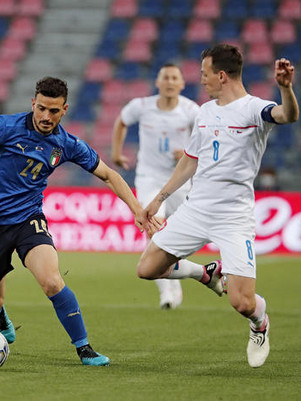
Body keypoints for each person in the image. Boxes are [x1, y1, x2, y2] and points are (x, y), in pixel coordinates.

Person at [0, 76, 158, 366]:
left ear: (65, 110)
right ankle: (0, 318)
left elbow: (109, 174)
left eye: (54, 111)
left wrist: (137, 208)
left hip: (28, 219)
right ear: (33, 104)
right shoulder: (6, 127)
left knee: (51, 281)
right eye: (42, 109)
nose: (46, 117)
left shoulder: (68, 144)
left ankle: (84, 348)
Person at [136, 44, 299, 368]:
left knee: (242, 302)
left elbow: (287, 115)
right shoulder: (205, 112)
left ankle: (260, 322)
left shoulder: (255, 110)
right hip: (196, 210)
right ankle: (205, 273)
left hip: (233, 217)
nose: (202, 79)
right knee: (147, 269)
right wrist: (157, 200)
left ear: (221, 76)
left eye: (205, 74)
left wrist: (285, 89)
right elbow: (189, 162)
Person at [111, 63, 201, 310]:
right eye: (166, 77)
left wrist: (187, 153)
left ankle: (173, 271)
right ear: (158, 82)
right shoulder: (142, 106)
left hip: (180, 181)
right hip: (149, 178)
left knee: (184, 234)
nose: (170, 82)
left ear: (182, 84)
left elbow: (207, 138)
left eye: (175, 78)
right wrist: (117, 154)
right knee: (153, 227)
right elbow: (121, 122)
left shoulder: (191, 110)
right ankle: (167, 291)